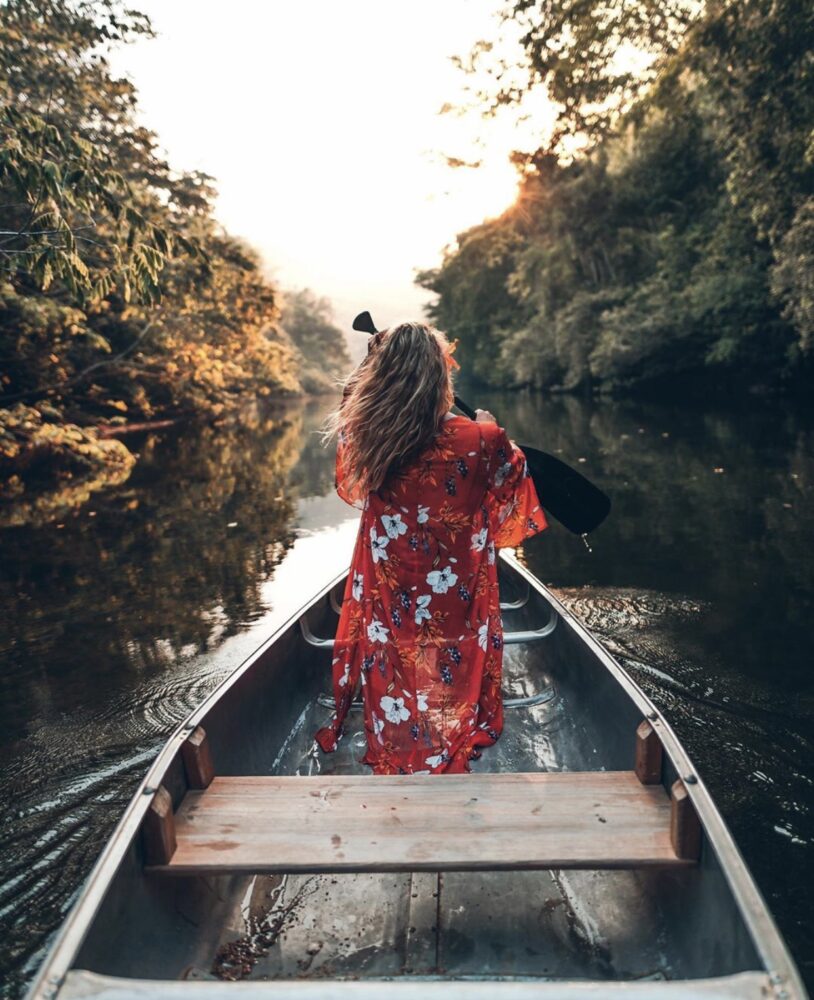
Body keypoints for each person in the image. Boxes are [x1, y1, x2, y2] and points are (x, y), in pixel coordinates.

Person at [314, 321, 548, 774]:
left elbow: (349, 437)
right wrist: (488, 428)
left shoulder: (364, 436)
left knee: (397, 640)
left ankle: (395, 731)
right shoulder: (483, 441)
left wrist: (370, 363)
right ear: (441, 379)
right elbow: (512, 490)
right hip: (455, 589)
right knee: (453, 638)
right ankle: (455, 722)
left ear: (382, 378)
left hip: (393, 588)